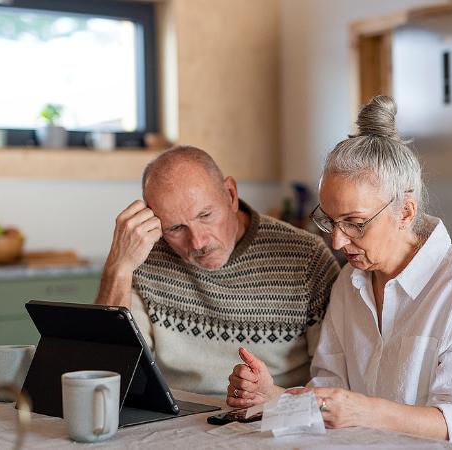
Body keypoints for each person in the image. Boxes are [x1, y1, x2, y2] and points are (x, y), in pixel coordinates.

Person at [225, 96, 452, 449]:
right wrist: (273, 397)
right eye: (329, 220)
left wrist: (364, 412)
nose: (338, 242)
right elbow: (333, 397)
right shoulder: (349, 283)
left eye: (355, 224)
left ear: (405, 212)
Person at [95, 145, 340, 397]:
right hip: (175, 419)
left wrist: (275, 397)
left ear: (231, 195)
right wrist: (118, 268)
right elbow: (107, 372)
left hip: (274, 417)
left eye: (205, 215)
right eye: (176, 228)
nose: (198, 242)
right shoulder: (144, 256)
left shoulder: (306, 257)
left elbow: (334, 383)